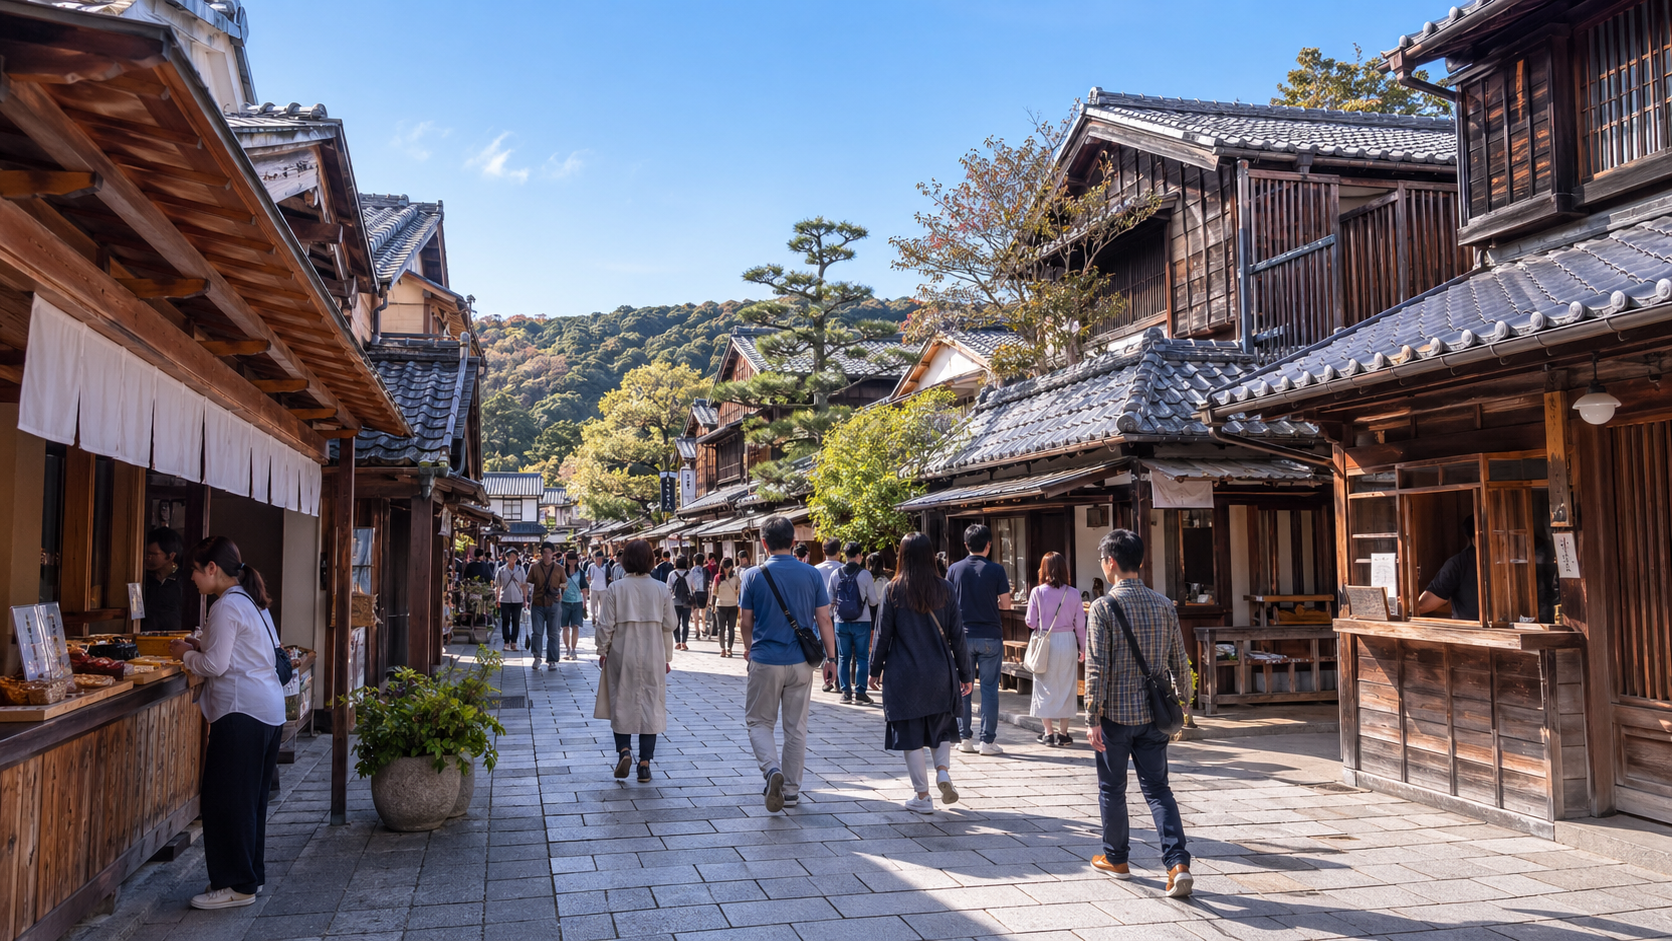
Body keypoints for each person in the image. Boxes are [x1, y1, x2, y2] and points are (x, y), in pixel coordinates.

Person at [168, 537, 286, 910]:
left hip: (241, 713)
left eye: (195, 570)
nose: (192, 578)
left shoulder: (225, 606)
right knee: (250, 802)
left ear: (213, 569)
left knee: (226, 802)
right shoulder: (249, 602)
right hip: (266, 711)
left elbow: (216, 665)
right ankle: (251, 877)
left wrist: (187, 653)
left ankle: (235, 885)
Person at [1085, 529, 1193, 898]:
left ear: (1110, 563)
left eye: (1103, 560)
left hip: (1115, 715)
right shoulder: (1164, 604)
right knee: (1159, 789)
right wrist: (1185, 702)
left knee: (1112, 789)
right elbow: (1180, 660)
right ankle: (1177, 863)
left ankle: (1117, 859)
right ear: (1140, 562)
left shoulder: (1102, 608)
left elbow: (1096, 667)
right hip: (1155, 716)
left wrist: (1091, 716)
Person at [739, 515, 836, 812]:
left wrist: (748, 648)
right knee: (796, 728)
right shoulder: (811, 575)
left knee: (759, 722)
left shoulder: (753, 576)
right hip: (802, 663)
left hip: (765, 659)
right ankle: (791, 791)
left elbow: (745, 621)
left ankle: (772, 770)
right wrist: (831, 658)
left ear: (763, 543)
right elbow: (823, 619)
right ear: (794, 542)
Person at [870, 532, 972, 814]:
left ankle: (922, 796)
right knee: (940, 729)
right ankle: (942, 771)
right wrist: (966, 673)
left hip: (904, 675)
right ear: (930, 556)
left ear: (902, 556)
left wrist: (874, 671)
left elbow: (882, 636)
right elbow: (957, 637)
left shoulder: (892, 590)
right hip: (940, 672)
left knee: (911, 735)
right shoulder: (946, 589)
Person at [595, 539, 678, 783]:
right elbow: (671, 624)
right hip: (653, 653)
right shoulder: (661, 588)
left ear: (625, 561)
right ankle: (644, 764)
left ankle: (624, 751)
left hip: (622, 652)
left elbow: (605, 625)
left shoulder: (616, 588)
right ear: (651, 561)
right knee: (650, 705)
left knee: (621, 701)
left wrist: (602, 650)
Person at [946, 524, 1012, 755]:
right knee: (989, 689)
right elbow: (1006, 604)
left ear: (966, 545)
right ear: (989, 545)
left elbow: (948, 604)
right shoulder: (997, 570)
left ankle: (964, 737)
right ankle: (988, 741)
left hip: (962, 636)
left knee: (964, 688)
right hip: (990, 636)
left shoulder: (954, 569)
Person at [1027, 552, 1086, 746]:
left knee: (1043, 684)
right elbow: (1080, 625)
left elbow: (1030, 621)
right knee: (1066, 685)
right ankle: (1063, 733)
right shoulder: (1074, 593)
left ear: (1043, 569)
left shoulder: (1037, 592)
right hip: (1068, 640)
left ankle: (1048, 733)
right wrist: (1083, 648)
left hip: (1046, 640)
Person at [827, 542, 877, 705]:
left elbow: (829, 601)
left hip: (840, 621)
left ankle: (846, 693)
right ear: (858, 556)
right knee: (862, 657)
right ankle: (861, 693)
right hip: (862, 621)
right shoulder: (865, 575)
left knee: (843, 657)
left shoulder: (836, 574)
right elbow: (874, 601)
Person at [1417, 516, 1479, 621]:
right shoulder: (1459, 564)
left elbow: (1423, 605)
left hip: (1467, 633)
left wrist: (1404, 605)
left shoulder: (1458, 564)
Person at [526, 544, 566, 670]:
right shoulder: (534, 568)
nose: (547, 555)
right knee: (537, 632)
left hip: (554, 603)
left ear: (553, 554)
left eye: (549, 552)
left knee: (553, 633)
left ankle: (552, 660)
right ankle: (537, 657)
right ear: (542, 554)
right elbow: (529, 582)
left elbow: (564, 583)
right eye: (545, 552)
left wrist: (562, 595)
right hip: (538, 603)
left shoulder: (559, 568)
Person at [141, 526, 185, 633]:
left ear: (171, 556)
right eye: (146, 553)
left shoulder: (182, 581)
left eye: (153, 554)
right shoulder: (143, 578)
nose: (147, 557)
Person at [494, 549, 528, 651]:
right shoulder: (501, 570)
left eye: (515, 557)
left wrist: (525, 599)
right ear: (506, 558)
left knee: (516, 621)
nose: (513, 559)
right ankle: (506, 642)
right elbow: (498, 586)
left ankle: (514, 642)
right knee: (505, 621)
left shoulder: (520, 570)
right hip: (504, 599)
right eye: (511, 556)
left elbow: (524, 585)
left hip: (518, 599)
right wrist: (497, 599)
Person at [560, 550, 588, 661]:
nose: (572, 561)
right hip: (564, 602)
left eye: (574, 559)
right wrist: (562, 587)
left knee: (575, 626)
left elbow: (584, 588)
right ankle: (567, 647)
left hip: (577, 602)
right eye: (570, 559)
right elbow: (558, 585)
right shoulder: (562, 572)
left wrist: (585, 603)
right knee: (565, 627)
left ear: (577, 560)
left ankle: (573, 649)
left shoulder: (581, 573)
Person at [666, 555, 697, 650]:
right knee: (685, 623)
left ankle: (677, 642)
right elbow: (694, 587)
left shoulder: (672, 574)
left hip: (675, 601)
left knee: (676, 623)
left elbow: (668, 587)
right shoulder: (690, 574)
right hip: (687, 601)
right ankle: (684, 642)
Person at [713, 557, 741, 657]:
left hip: (731, 605)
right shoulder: (718, 577)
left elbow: (739, 591)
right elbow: (714, 592)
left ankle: (729, 648)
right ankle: (723, 649)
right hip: (722, 605)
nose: (726, 569)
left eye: (727, 567)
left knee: (730, 628)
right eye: (725, 567)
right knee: (722, 629)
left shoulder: (735, 578)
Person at [586, 550, 613, 624]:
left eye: (600, 558)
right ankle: (593, 616)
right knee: (593, 605)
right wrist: (588, 580)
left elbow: (610, 576)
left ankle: (601, 619)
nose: (598, 560)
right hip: (593, 588)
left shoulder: (606, 567)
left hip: (604, 588)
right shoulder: (591, 567)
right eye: (596, 558)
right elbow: (587, 576)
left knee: (603, 605)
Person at [689, 552, 710, 639]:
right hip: (704, 592)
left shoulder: (692, 571)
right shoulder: (706, 570)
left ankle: (697, 630)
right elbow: (709, 583)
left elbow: (691, 583)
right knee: (704, 612)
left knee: (696, 613)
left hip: (695, 592)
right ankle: (704, 628)